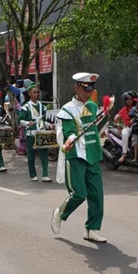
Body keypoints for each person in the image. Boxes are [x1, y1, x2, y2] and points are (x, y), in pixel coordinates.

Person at [51, 72, 109, 243]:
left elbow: (98, 129)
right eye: (86, 88)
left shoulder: (92, 107)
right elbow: (68, 132)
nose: (89, 91)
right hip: (76, 155)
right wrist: (68, 141)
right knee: (79, 194)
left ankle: (91, 229)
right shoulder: (67, 110)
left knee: (97, 195)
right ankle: (60, 213)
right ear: (76, 87)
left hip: (92, 154)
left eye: (92, 88)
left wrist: (107, 113)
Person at [19, 82, 52, 181]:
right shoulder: (26, 107)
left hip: (41, 134)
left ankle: (45, 175)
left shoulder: (42, 107)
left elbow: (43, 121)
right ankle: (33, 175)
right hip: (31, 135)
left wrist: (49, 125)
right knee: (31, 156)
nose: (37, 94)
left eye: (38, 92)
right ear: (29, 94)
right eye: (34, 92)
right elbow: (20, 120)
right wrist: (27, 123)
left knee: (44, 154)